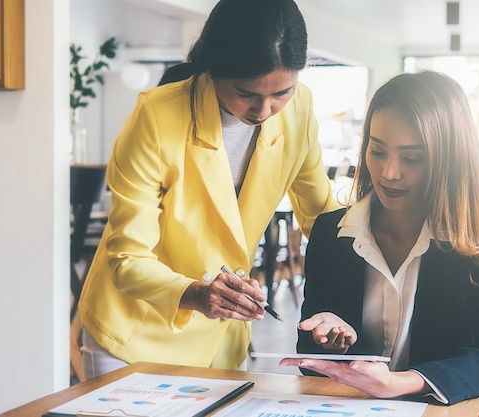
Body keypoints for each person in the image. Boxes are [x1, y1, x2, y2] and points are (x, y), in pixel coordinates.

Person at [78, 0, 339, 380]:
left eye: (282, 92)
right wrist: (198, 295)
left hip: (220, 343)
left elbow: (323, 216)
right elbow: (128, 257)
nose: (264, 110)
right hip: (134, 334)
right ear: (214, 70)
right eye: (247, 93)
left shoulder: (300, 109)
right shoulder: (157, 116)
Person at [280, 72, 479, 405]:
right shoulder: (332, 234)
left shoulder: (477, 244)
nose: (389, 173)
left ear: (448, 162)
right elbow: (311, 360)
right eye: (378, 151)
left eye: (412, 158)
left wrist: (404, 382)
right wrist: (330, 341)